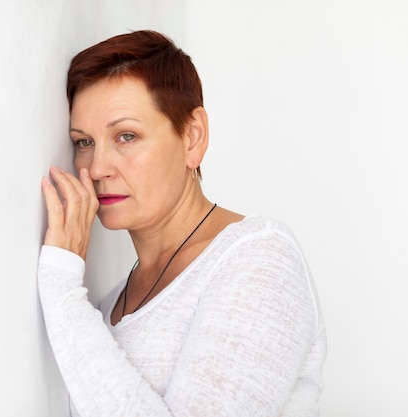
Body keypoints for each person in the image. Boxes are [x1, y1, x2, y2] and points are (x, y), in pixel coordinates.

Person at [37, 30, 326, 417]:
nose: (98, 168)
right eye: (84, 142)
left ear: (192, 138)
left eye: (126, 136)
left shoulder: (260, 258)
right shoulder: (110, 305)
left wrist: (61, 285)